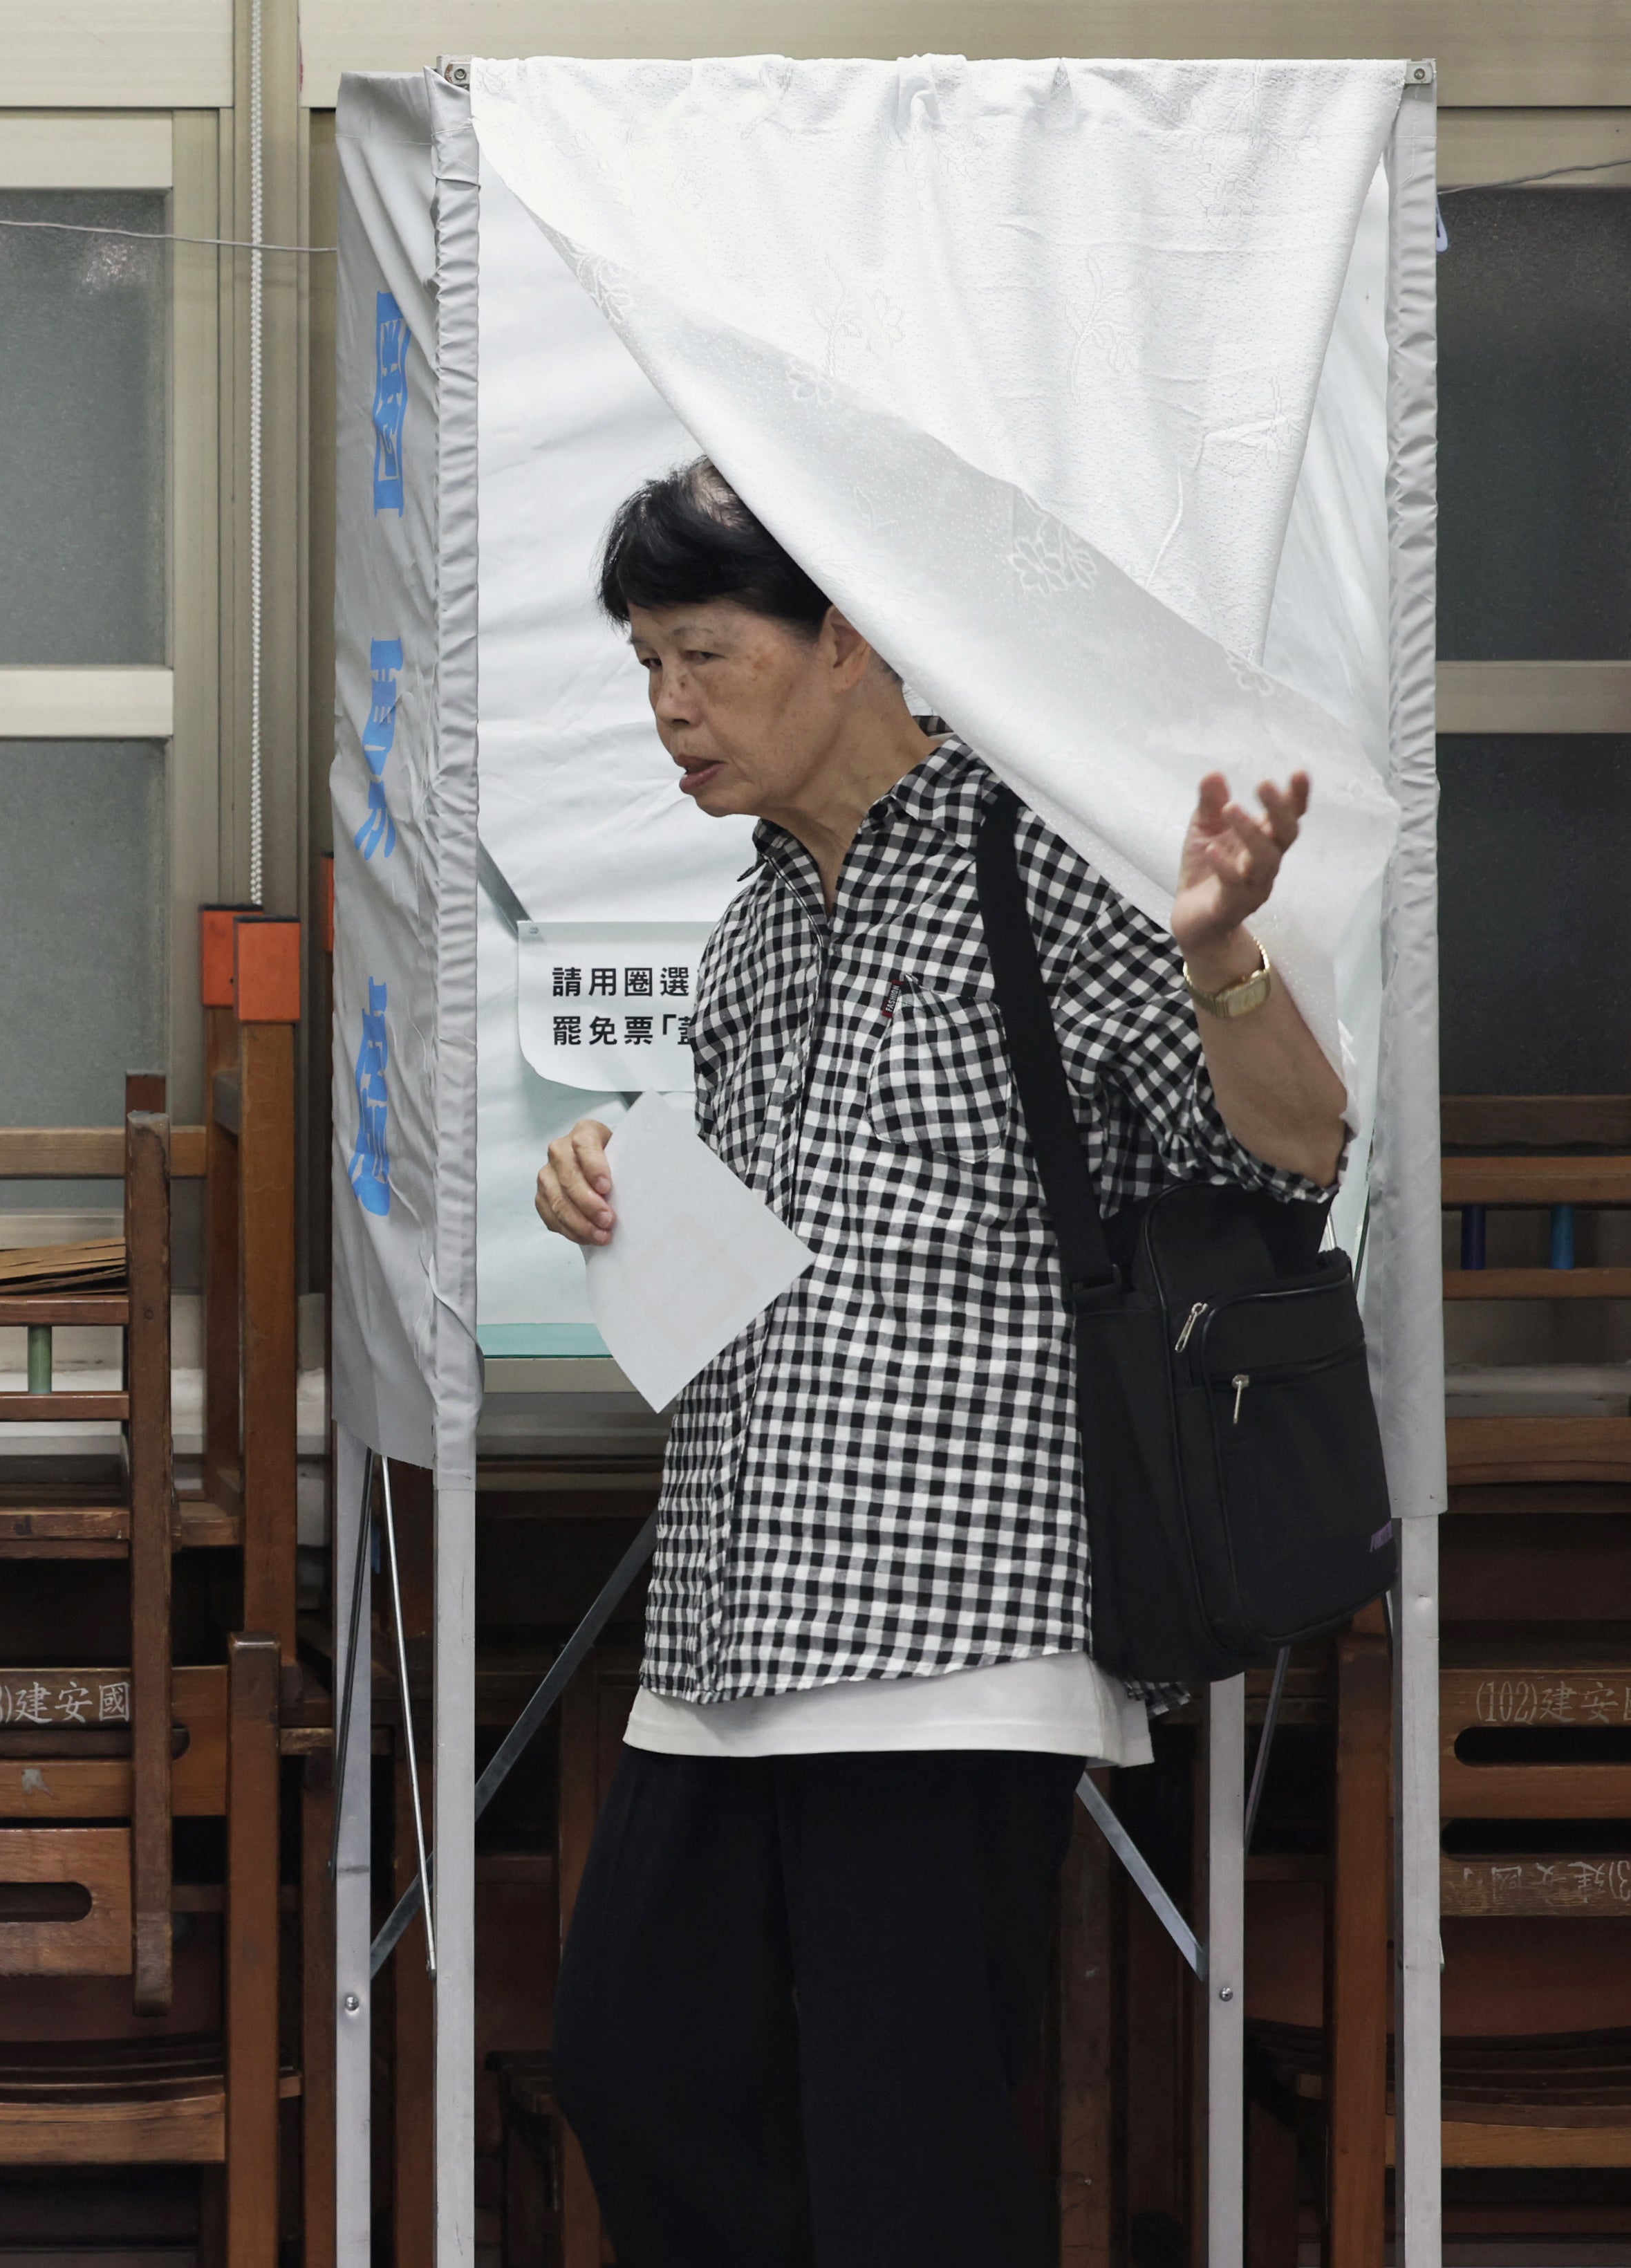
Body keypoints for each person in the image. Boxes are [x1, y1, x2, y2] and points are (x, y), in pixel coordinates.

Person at [532, 460, 1349, 2267]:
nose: (669, 705)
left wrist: (1223, 959)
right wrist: (609, 1174)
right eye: (648, 663)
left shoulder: (1041, 854)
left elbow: (1298, 1153)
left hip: (955, 1626)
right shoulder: (756, 921)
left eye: (705, 654)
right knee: (640, 2065)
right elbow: (754, 1231)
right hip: (731, 1612)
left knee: (903, 2151)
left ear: (846, 636)